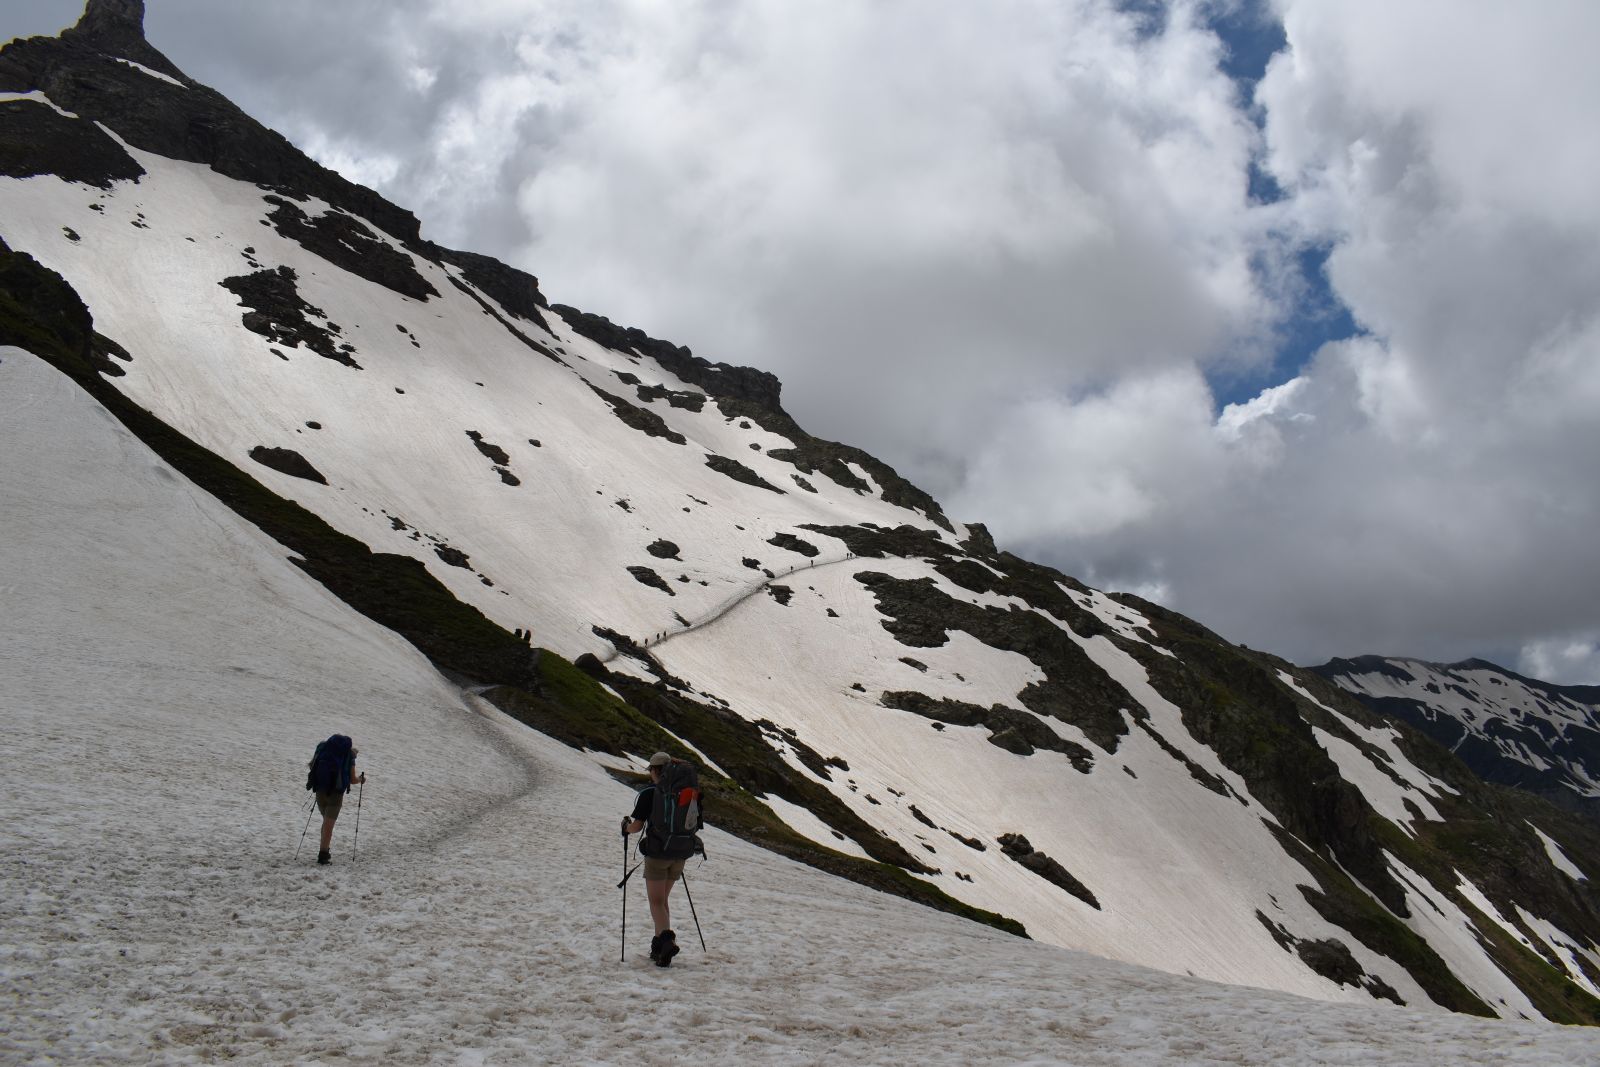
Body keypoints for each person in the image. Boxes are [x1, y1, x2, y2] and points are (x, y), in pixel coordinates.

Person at [622, 751, 688, 966]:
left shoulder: (650, 793)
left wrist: (625, 828)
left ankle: (667, 942)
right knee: (662, 901)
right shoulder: (685, 791)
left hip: (658, 854)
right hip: (680, 853)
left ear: (655, 770)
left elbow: (637, 826)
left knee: (656, 901)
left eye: (651, 769)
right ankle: (659, 947)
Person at [309, 737, 366, 865]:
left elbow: (311, 765)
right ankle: (323, 854)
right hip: (336, 794)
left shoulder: (322, 748)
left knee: (326, 822)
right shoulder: (349, 754)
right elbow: (352, 779)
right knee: (329, 825)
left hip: (320, 790)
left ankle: (324, 849)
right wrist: (361, 779)